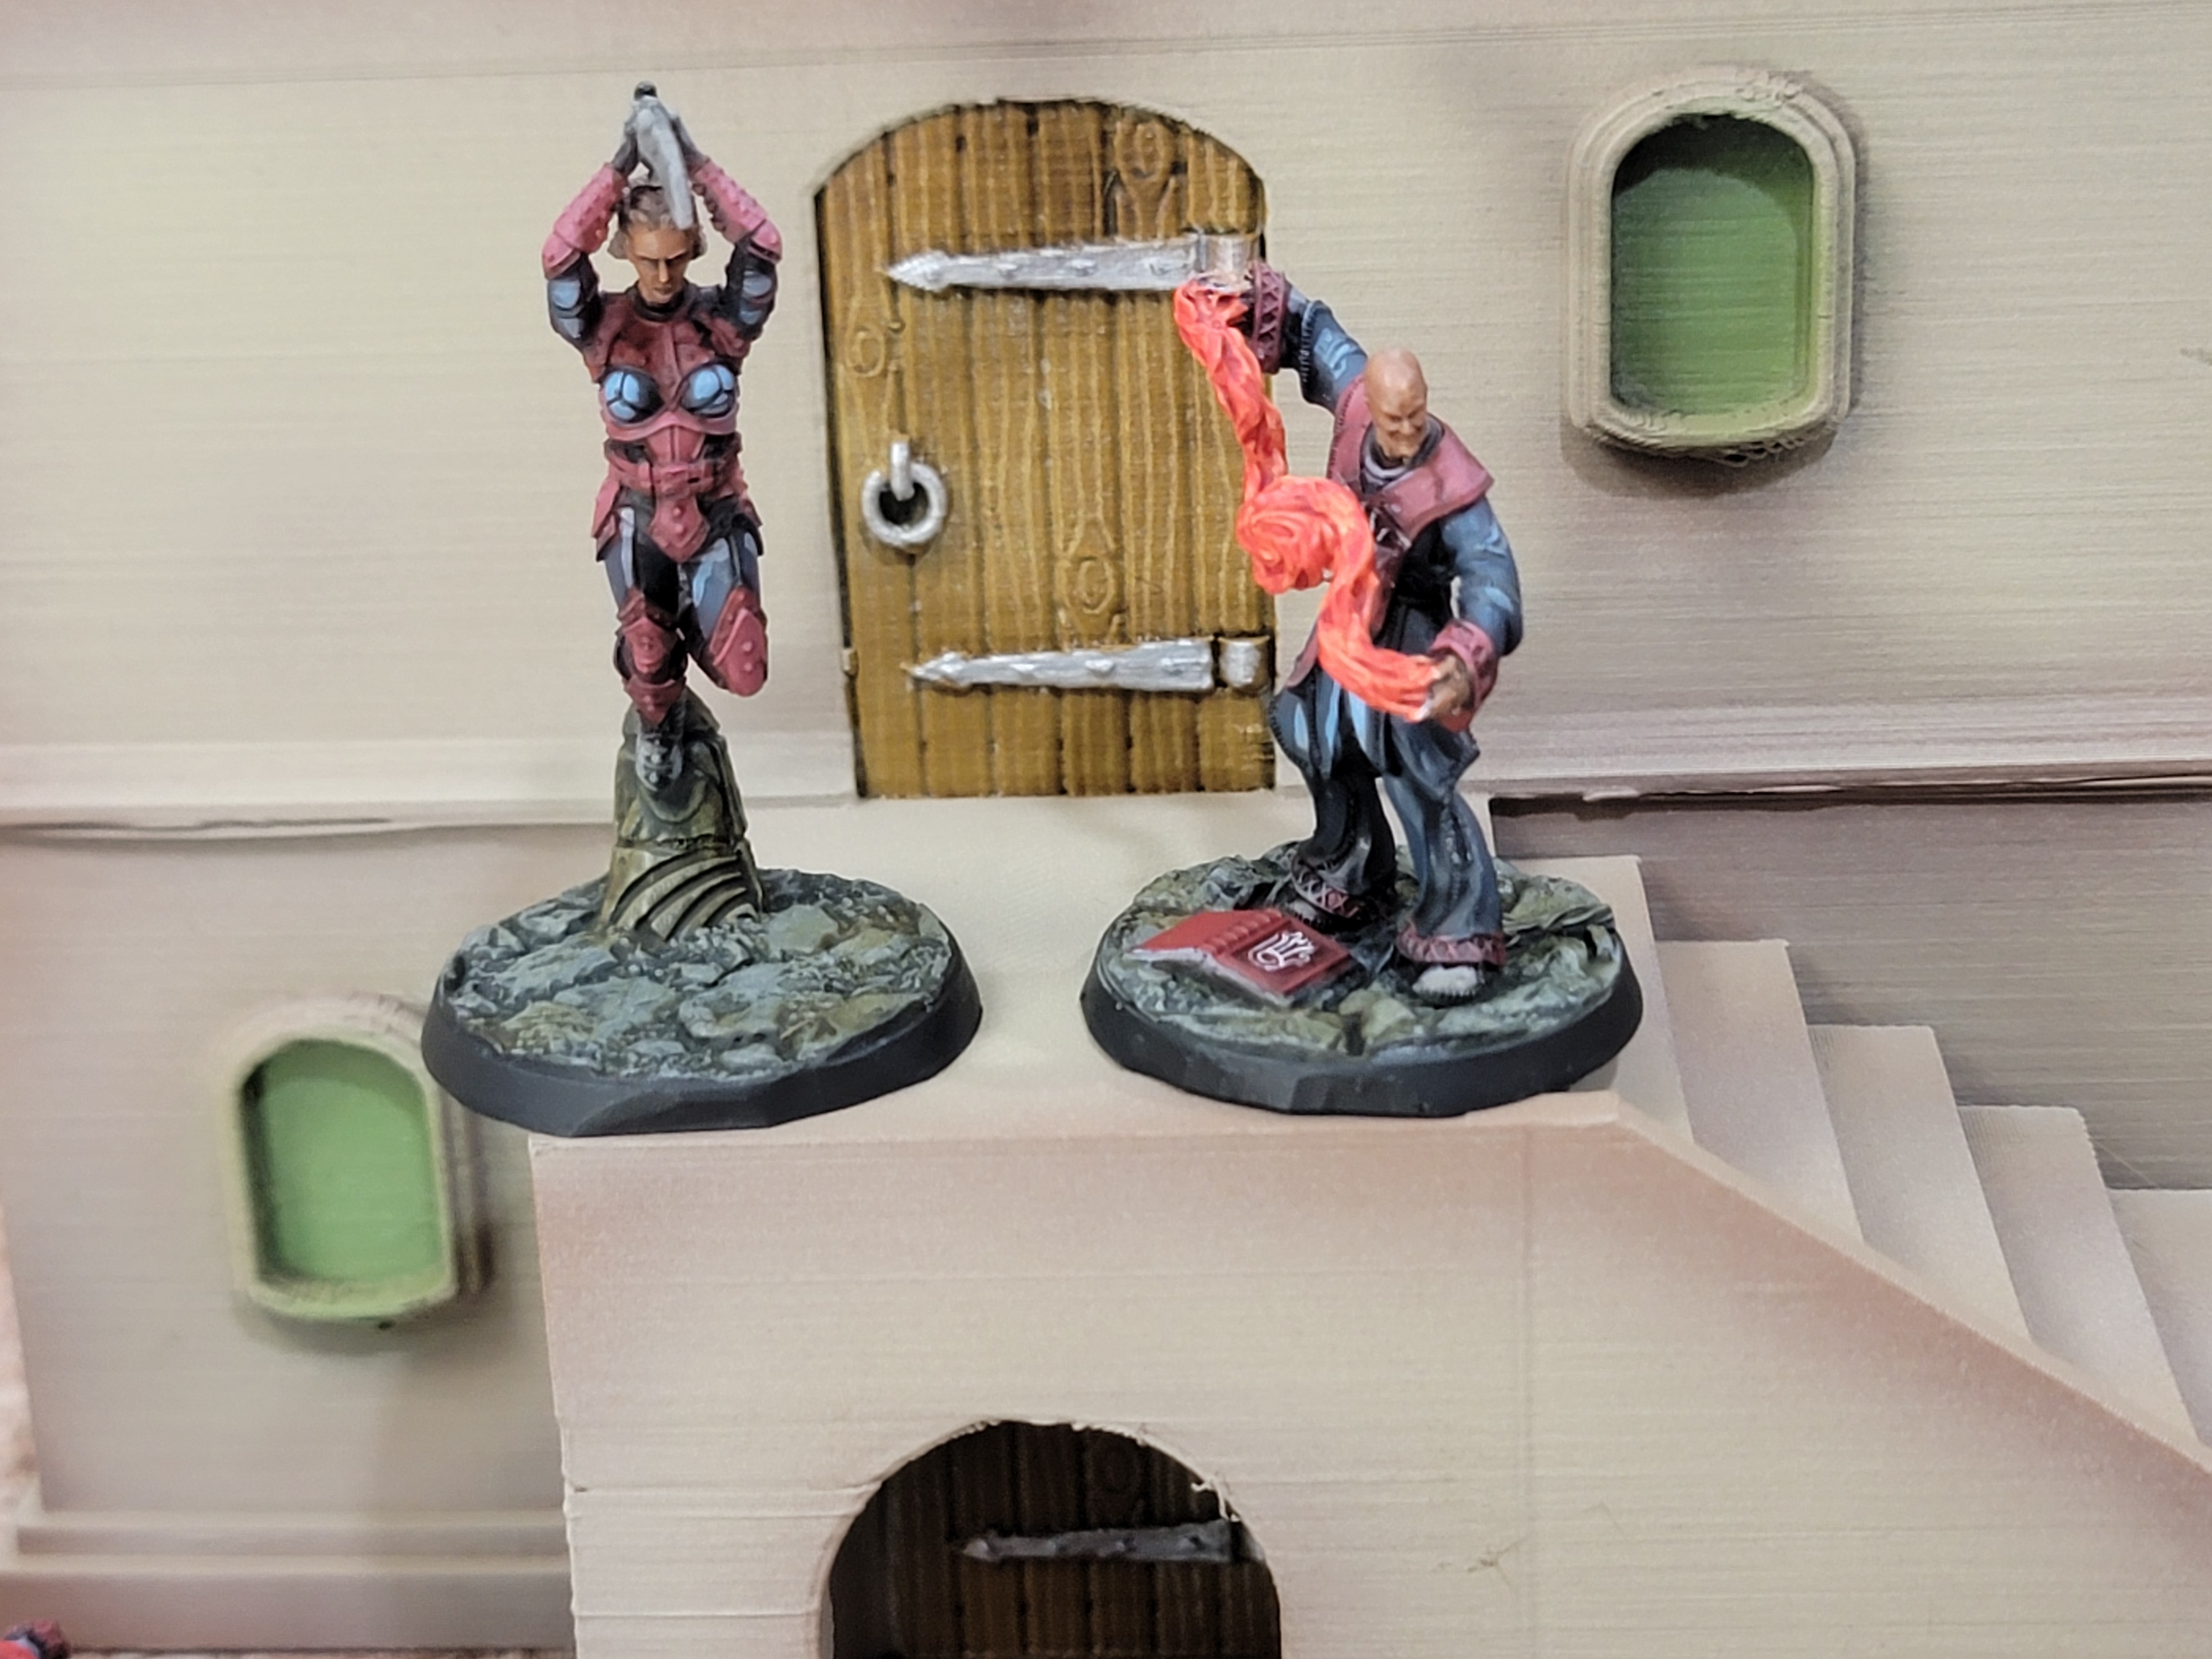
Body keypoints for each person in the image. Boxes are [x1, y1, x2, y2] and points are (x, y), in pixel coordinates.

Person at [1243, 263, 1524, 1001]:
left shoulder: (1453, 485)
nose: (1405, 431)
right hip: (1347, 623)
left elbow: (1492, 577)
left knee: (1416, 772)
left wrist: (1463, 655)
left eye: (1416, 417)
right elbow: (1319, 338)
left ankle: (1460, 929)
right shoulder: (1357, 409)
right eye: (1393, 418)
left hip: (1412, 634)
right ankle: (1349, 871)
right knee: (1306, 728)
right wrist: (1262, 304)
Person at [541, 93, 781, 784]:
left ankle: (691, 651)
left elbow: (763, 245)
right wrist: (620, 166)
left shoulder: (722, 325)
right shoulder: (604, 329)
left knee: (744, 667)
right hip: (637, 511)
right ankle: (660, 729)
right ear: (626, 252)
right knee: (648, 653)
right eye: (648, 260)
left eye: (676, 258)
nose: (663, 275)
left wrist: (695, 165)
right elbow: (560, 257)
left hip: (714, 506)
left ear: (693, 250)